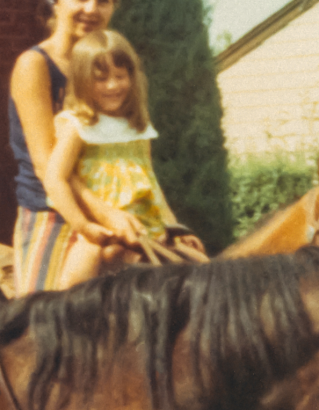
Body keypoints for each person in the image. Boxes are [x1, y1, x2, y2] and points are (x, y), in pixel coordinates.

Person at [42, 30, 201, 288]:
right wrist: (82, 225)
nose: (113, 86)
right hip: (103, 231)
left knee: (201, 264)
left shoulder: (137, 127)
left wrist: (175, 227)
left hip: (148, 229)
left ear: (132, 76)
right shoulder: (77, 125)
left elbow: (151, 182)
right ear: (83, 81)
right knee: (75, 283)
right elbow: (55, 178)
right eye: (101, 79)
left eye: (120, 76)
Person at [8, 0, 125, 293]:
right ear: (56, 1)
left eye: (103, 0)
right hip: (52, 210)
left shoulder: (110, 73)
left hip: (109, 208)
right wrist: (104, 215)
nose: (92, 9)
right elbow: (46, 166)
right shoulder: (35, 64)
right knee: (43, 324)